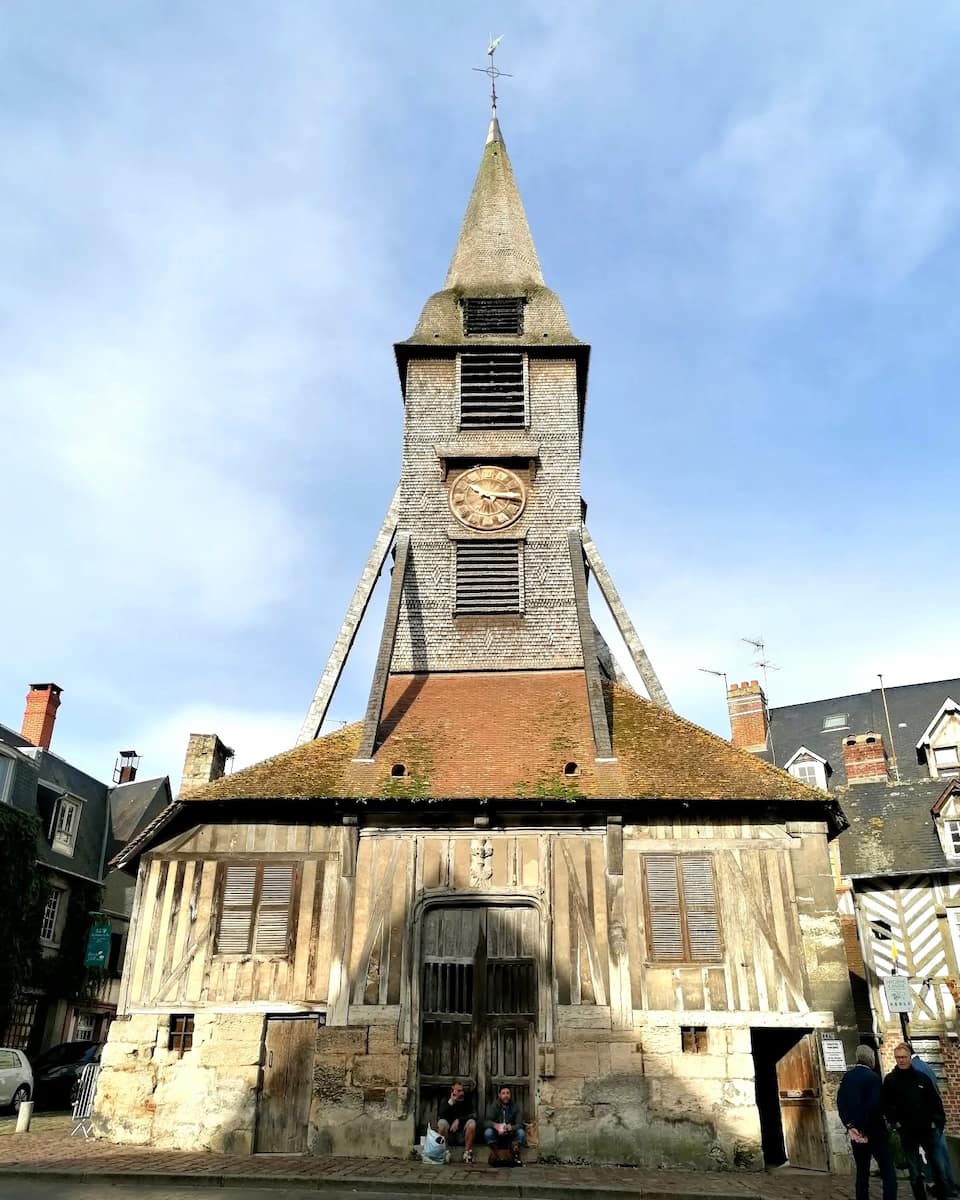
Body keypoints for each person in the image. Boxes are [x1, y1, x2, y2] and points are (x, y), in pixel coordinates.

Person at [883, 1042, 948, 1200]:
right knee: (914, 1170)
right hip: (907, 1132)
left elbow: (935, 1101)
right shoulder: (891, 1080)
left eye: (904, 1057)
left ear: (909, 1058)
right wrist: (895, 1122)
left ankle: (943, 1196)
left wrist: (938, 1122)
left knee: (937, 1166)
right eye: (898, 1058)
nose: (901, 1061)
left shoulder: (921, 1078)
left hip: (927, 1129)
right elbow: (885, 1104)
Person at [837, 1045, 897, 1200]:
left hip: (856, 1134)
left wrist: (850, 1126)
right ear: (871, 1058)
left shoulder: (847, 1077)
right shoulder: (873, 1078)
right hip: (874, 1132)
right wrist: (864, 1129)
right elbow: (874, 1106)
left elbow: (841, 1103)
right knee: (888, 1171)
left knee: (862, 1172)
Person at [909, 1045, 959, 1198]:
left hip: (926, 1121)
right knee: (939, 1154)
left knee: (934, 1156)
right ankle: (948, 1185)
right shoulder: (925, 1066)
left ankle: (943, 1186)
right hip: (934, 1119)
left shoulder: (915, 1069)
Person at [436, 1081, 477, 1165]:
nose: (461, 1093)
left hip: (462, 1135)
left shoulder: (467, 1099)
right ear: (452, 1091)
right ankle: (445, 1152)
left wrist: (459, 1120)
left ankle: (467, 1153)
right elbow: (441, 1115)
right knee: (441, 1123)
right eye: (458, 1091)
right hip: (449, 1135)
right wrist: (451, 1103)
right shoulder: (446, 1100)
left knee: (472, 1123)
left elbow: (474, 1115)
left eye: (462, 1090)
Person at [483, 1084, 526, 1164]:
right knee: (488, 1132)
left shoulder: (515, 1107)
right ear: (499, 1095)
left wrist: (511, 1127)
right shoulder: (494, 1106)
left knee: (521, 1132)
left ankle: (514, 1155)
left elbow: (520, 1124)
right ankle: (496, 1155)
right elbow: (486, 1122)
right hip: (497, 1135)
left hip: (510, 1136)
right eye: (503, 1093)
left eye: (508, 1093)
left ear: (510, 1095)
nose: (506, 1095)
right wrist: (496, 1126)